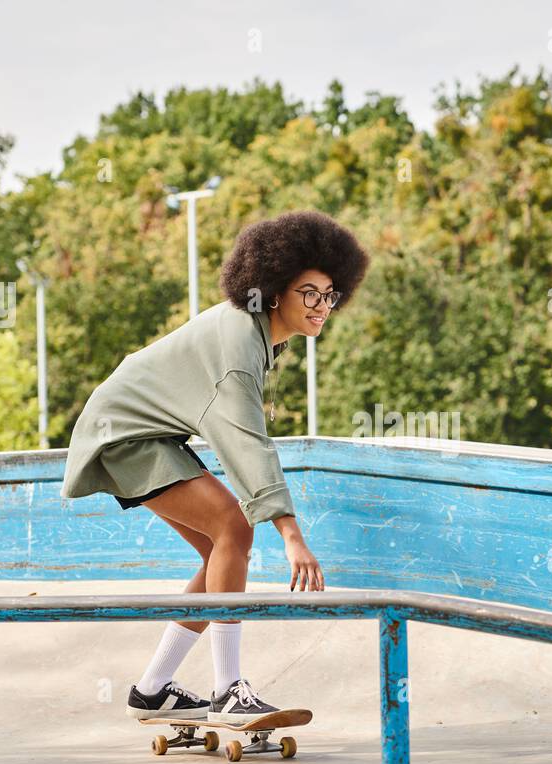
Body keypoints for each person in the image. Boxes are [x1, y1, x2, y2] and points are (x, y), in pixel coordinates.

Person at [60, 210, 370, 725]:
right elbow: (246, 444)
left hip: (138, 433)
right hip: (124, 435)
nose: (322, 306)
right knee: (233, 526)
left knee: (219, 554)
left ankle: (153, 689)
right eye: (309, 293)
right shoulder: (238, 346)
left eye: (330, 294)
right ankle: (228, 689)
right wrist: (290, 533)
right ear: (273, 291)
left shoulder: (255, 333)